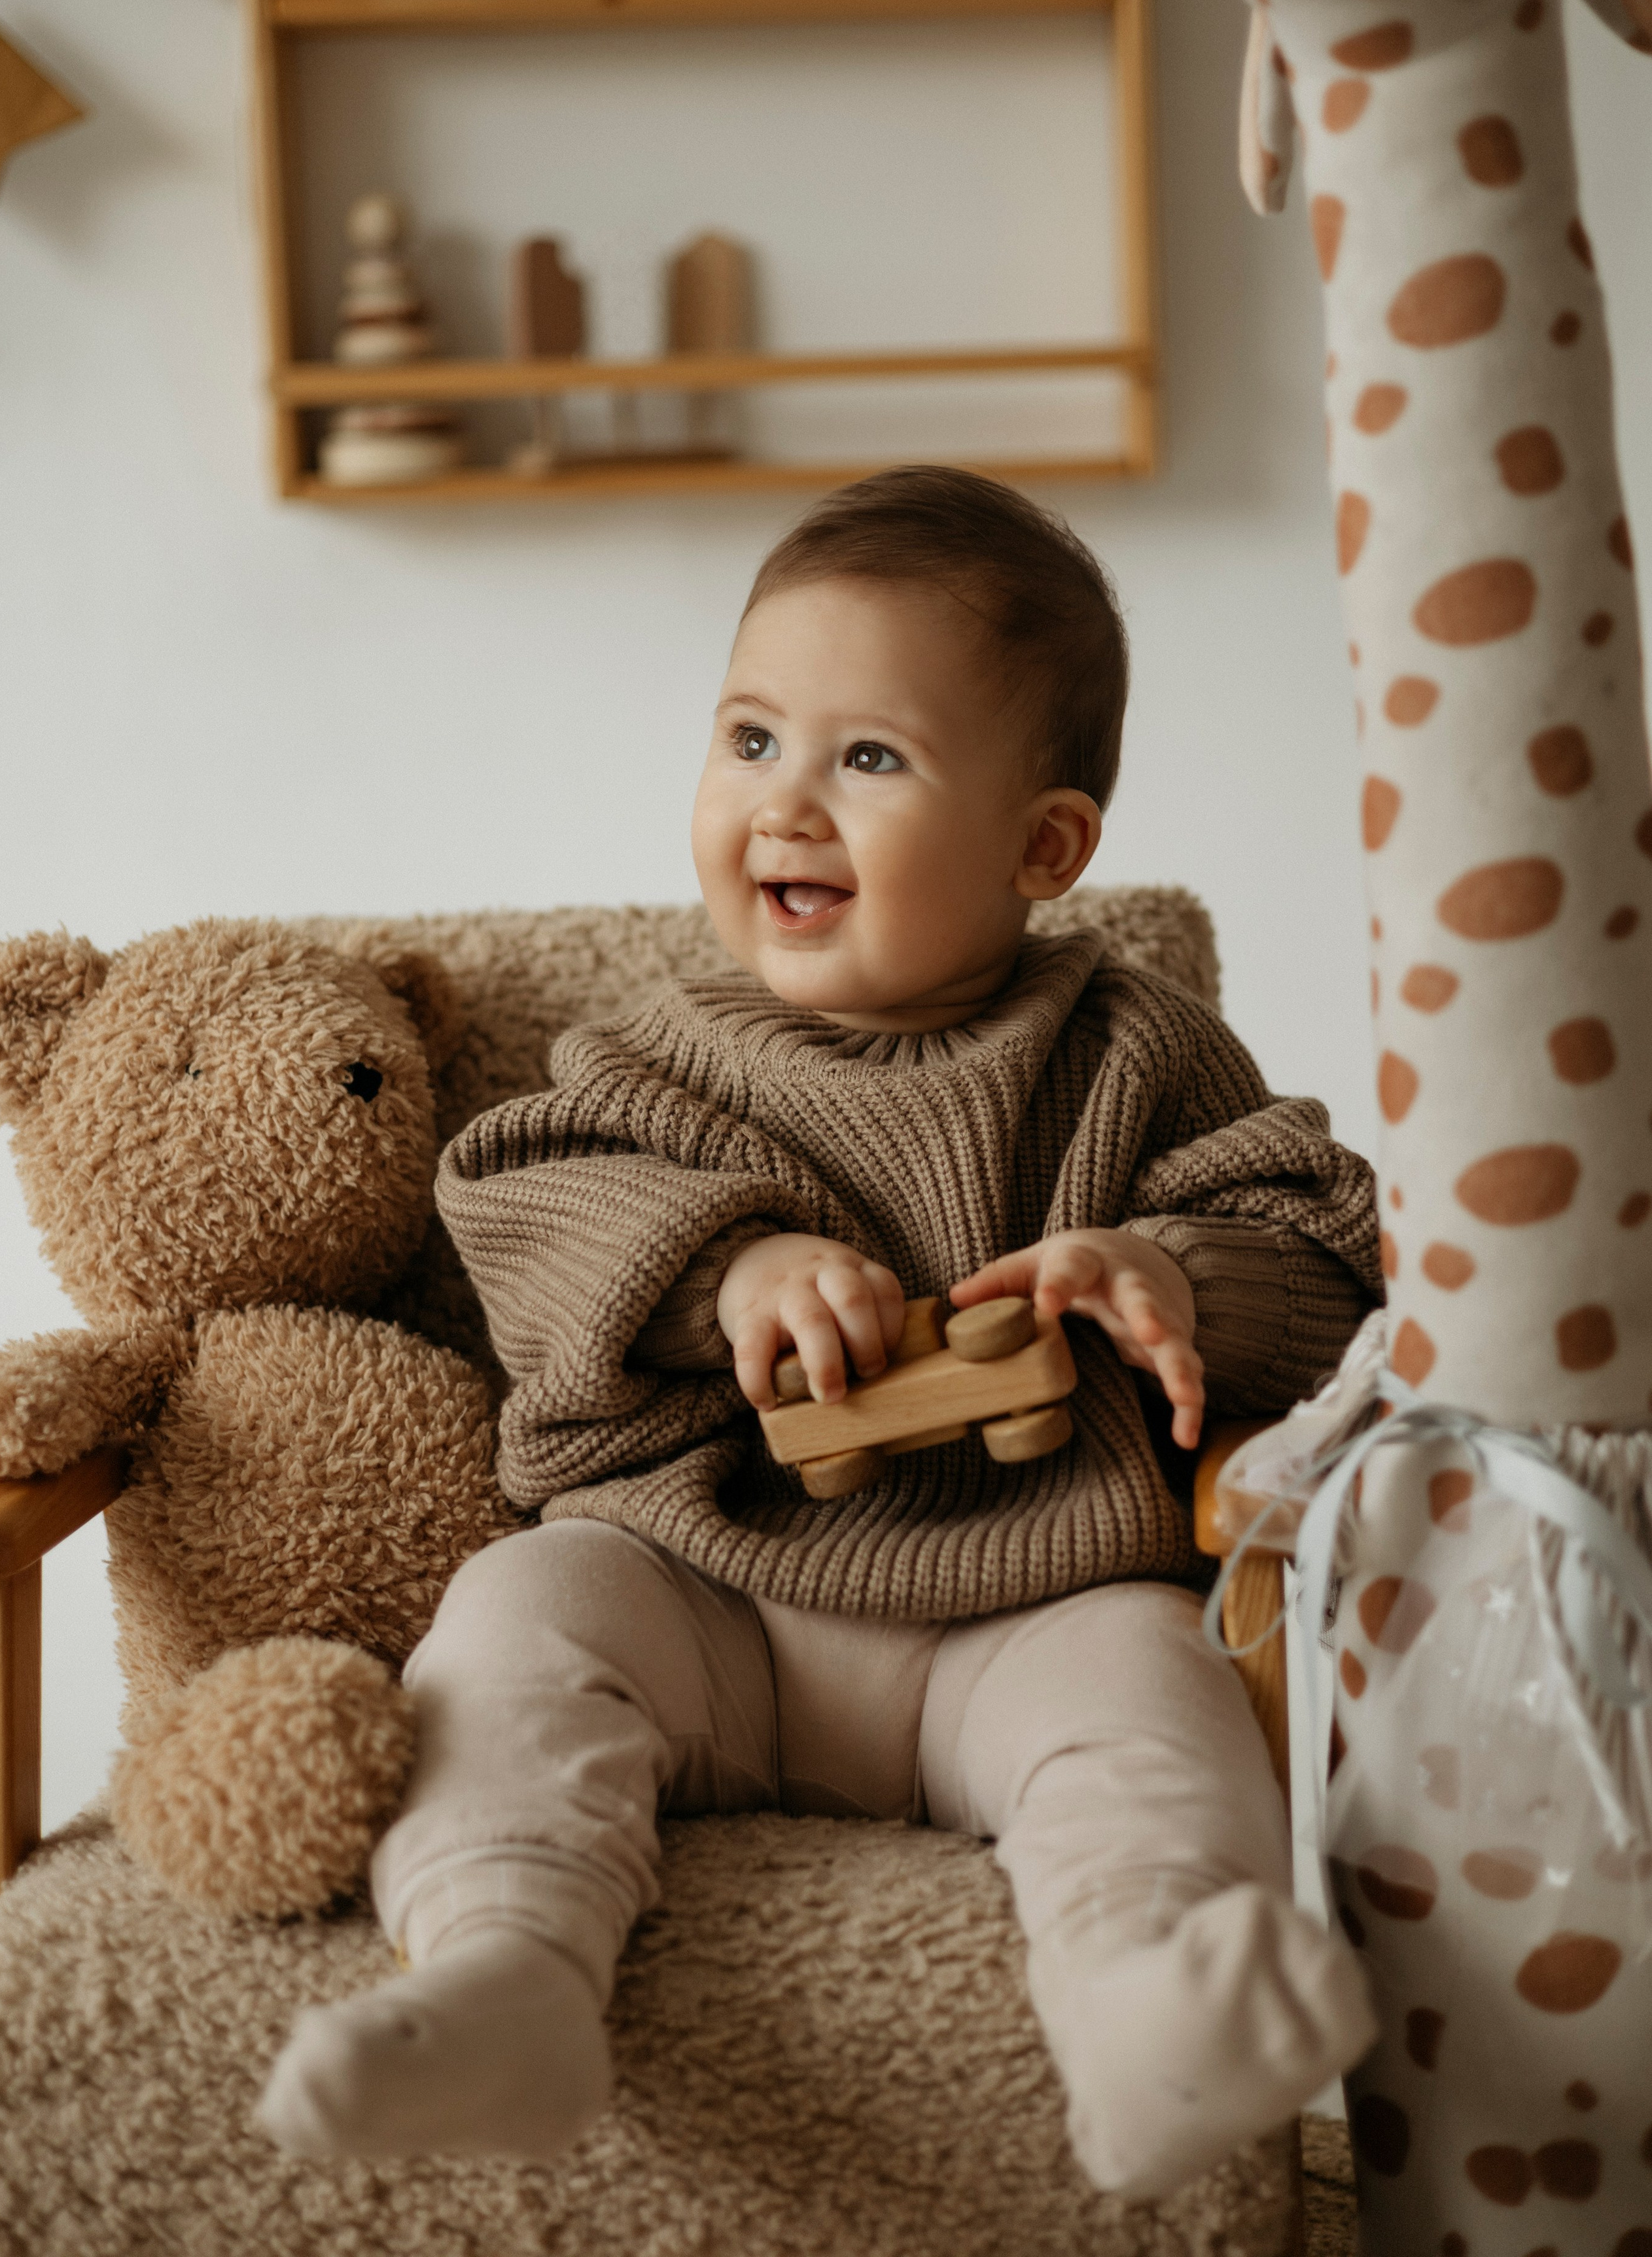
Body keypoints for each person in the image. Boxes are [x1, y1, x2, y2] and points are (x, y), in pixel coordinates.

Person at [260, 466, 1380, 2193]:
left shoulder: (1133, 1047)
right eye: (751, 737)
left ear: (1044, 847)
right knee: (517, 1618)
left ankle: (1154, 2008)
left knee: (1159, 1705)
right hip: (706, 1588)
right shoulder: (655, 1053)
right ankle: (507, 1976)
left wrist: (1169, 1272)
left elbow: (1319, 1243)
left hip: (1030, 1606)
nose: (786, 804)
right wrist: (731, 1268)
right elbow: (519, 1205)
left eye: (868, 758)